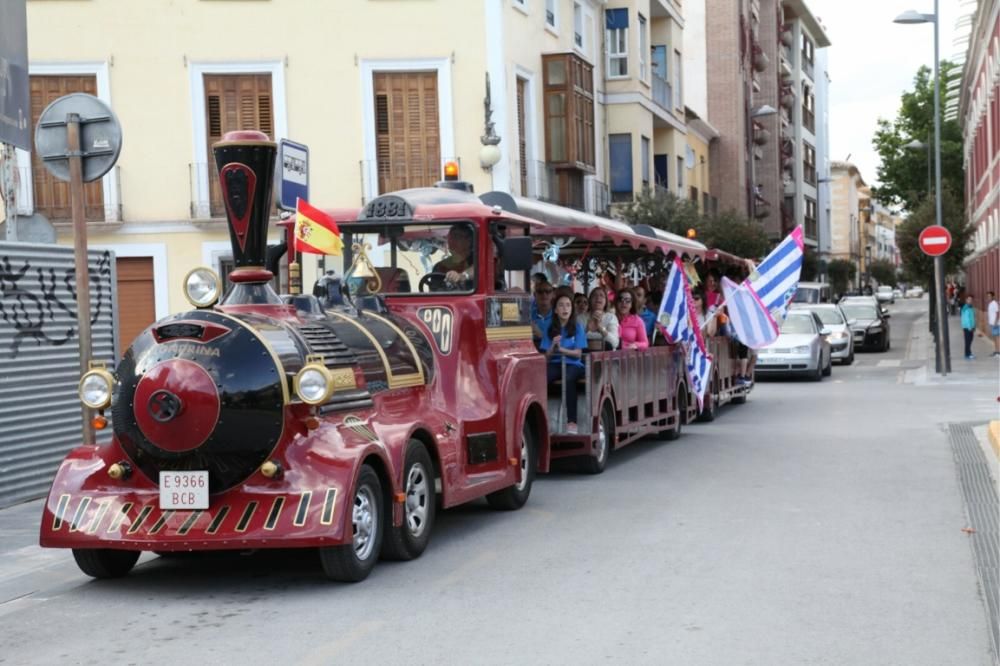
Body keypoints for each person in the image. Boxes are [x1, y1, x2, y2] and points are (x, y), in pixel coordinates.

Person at [540, 292, 587, 434]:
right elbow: (546, 357)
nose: (565, 308)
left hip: (574, 365)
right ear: (555, 310)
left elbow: (578, 354)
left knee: (568, 379)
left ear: (572, 309)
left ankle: (572, 422)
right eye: (561, 305)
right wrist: (553, 348)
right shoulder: (550, 328)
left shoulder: (577, 327)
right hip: (555, 363)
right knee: (542, 380)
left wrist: (562, 350)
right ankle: (542, 421)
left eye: (568, 305)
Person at [580, 286, 620, 351]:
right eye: (595, 295)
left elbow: (615, 343)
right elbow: (574, 341)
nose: (598, 298)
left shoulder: (611, 317)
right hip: (584, 357)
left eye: (601, 295)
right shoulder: (581, 317)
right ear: (590, 300)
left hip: (607, 357)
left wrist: (601, 328)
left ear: (606, 301)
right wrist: (586, 329)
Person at [531, 280, 555, 347]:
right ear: (535, 294)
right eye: (540, 291)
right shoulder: (527, 316)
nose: (544, 294)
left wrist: (541, 335)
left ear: (552, 294)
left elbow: (563, 345)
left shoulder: (559, 315)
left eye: (548, 291)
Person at [960, 294, 977, 360]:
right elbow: (966, 319)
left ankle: (969, 353)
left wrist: (974, 326)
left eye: (971, 299)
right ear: (966, 300)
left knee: (970, 341)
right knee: (967, 341)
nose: (970, 301)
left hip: (971, 327)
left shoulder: (970, 307)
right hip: (967, 328)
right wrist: (970, 327)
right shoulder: (965, 308)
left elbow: (972, 318)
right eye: (969, 299)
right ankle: (967, 355)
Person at [987, 291, 999, 357]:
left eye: (989, 296)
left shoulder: (994, 303)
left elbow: (998, 313)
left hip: (995, 324)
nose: (988, 297)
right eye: (988, 296)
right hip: (991, 323)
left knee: (997, 338)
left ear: (993, 296)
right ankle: (996, 351)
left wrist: (995, 322)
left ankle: (998, 352)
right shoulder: (990, 304)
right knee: (994, 338)